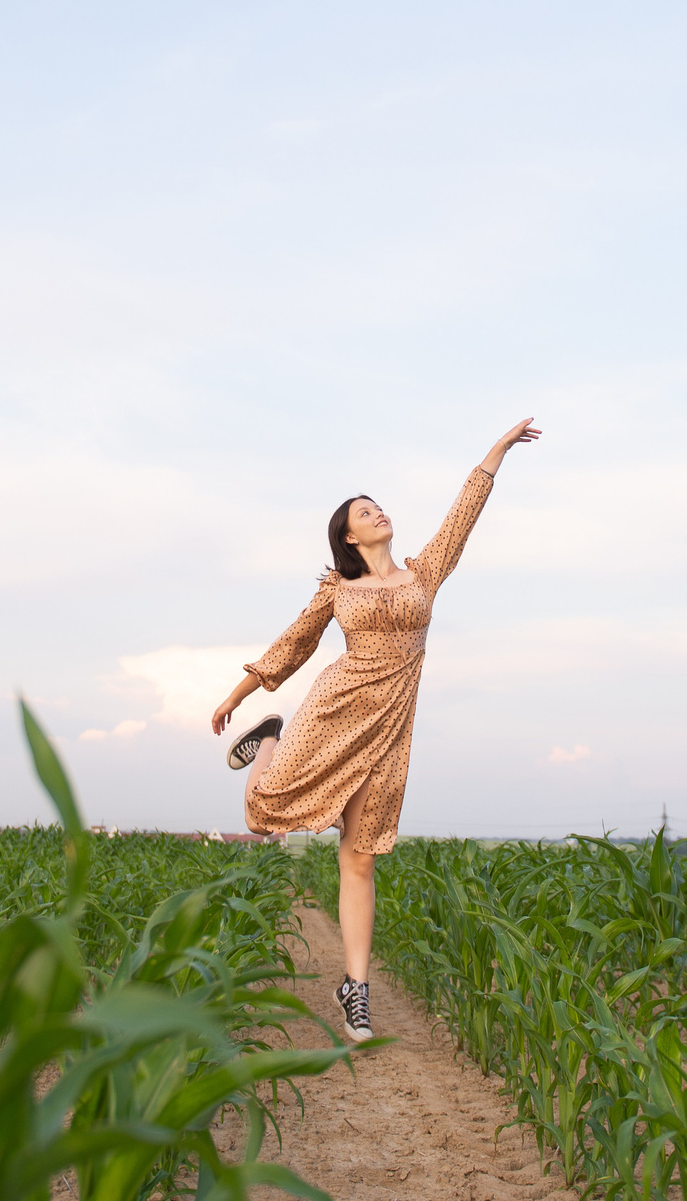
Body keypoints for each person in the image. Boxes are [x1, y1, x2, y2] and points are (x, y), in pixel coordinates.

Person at [209, 417, 541, 1042]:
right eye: (365, 510)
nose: (379, 512)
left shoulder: (424, 573)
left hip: (390, 728)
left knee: (358, 861)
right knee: (260, 809)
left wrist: (495, 452)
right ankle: (271, 735)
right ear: (347, 535)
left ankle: (354, 990)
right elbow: (294, 644)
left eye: (379, 506)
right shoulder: (338, 589)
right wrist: (237, 694)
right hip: (336, 709)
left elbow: (462, 518)